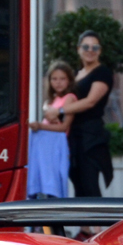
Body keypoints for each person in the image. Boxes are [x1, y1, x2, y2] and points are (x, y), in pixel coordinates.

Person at [51, 30, 114, 202]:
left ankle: (98, 229)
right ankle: (85, 229)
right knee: (77, 181)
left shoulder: (102, 72)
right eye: (86, 46)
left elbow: (90, 102)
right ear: (79, 49)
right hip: (73, 135)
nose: (90, 50)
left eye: (95, 47)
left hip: (90, 136)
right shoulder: (77, 74)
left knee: (90, 183)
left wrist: (60, 111)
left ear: (100, 51)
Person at [26, 61, 75, 201]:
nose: (58, 82)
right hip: (44, 148)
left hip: (55, 148)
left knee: (52, 184)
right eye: (54, 79)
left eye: (62, 79)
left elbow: (63, 127)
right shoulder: (51, 100)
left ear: (69, 80)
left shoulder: (69, 98)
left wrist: (40, 126)